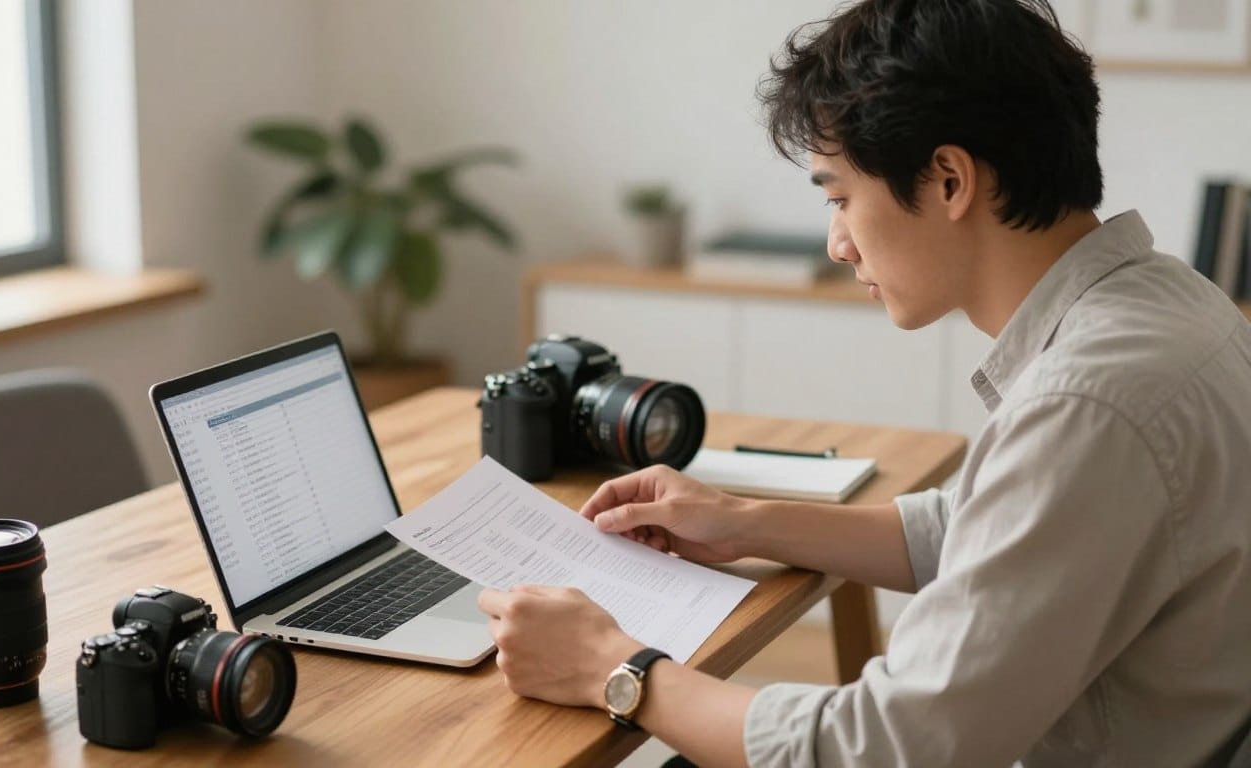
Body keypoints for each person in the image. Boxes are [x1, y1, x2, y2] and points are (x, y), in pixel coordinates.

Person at [476, 0, 1251, 765]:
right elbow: (994, 529)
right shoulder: (1170, 302)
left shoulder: (1087, 404)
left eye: (841, 197)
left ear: (949, 179)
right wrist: (743, 522)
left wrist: (615, 671)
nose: (838, 244)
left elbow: (893, 746)